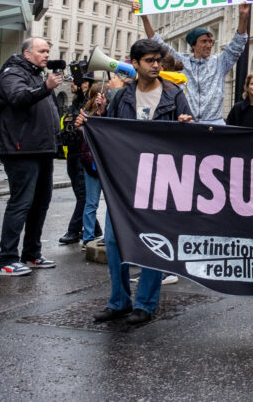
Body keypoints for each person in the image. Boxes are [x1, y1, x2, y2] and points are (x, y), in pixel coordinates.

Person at [82, 39, 194, 325]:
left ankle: (145, 303)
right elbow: (108, 132)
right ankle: (118, 301)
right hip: (124, 179)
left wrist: (187, 126)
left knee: (153, 243)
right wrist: (90, 122)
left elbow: (187, 137)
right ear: (135, 63)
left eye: (158, 60)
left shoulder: (174, 94)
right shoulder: (122, 97)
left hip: (159, 179)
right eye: (150, 61)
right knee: (113, 240)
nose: (156, 65)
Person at [0, 37, 62, 277]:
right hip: (21, 149)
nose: (46, 55)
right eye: (42, 51)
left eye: (48, 51)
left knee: (40, 203)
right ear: (27, 54)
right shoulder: (12, 73)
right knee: (21, 203)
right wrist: (46, 87)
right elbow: (18, 98)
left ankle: (31, 254)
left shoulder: (36, 75)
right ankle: (7, 260)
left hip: (41, 148)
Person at [138, 1, 250, 124]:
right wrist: (144, 17)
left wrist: (243, 17)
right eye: (204, 41)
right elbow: (157, 42)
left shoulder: (219, 62)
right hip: (187, 123)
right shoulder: (182, 61)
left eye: (211, 41)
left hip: (214, 125)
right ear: (193, 45)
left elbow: (237, 44)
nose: (209, 45)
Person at [58, 77, 100, 246]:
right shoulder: (74, 104)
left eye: (76, 81)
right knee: (81, 195)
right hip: (72, 154)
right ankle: (95, 229)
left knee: (84, 196)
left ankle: (74, 230)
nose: (71, 84)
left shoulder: (86, 103)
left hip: (82, 156)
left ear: (85, 85)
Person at [78, 84, 106, 249]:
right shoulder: (86, 115)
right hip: (92, 164)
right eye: (99, 95)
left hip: (103, 163)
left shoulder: (106, 113)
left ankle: (106, 235)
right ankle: (88, 237)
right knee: (91, 202)